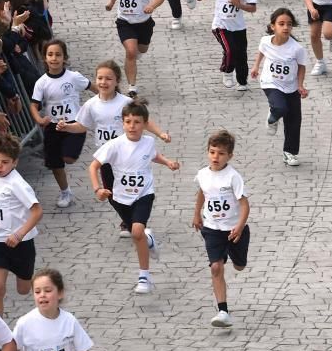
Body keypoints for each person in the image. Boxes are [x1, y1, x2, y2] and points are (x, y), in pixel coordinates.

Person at [58, 61, 171, 233]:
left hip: (125, 154)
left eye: (108, 79)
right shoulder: (91, 104)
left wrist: (160, 133)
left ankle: (135, 221)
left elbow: (144, 121)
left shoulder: (125, 102)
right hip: (105, 157)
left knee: (129, 188)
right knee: (112, 194)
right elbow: (82, 125)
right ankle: (129, 219)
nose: (103, 82)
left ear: (117, 81)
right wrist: (67, 127)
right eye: (100, 78)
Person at [88, 100, 179, 294]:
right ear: (122, 123)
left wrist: (168, 162)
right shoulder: (114, 145)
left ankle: (144, 276)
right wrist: (98, 189)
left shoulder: (149, 142)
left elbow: (152, 155)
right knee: (138, 235)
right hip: (120, 198)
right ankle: (149, 240)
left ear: (145, 124)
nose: (132, 126)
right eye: (128, 121)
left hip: (144, 194)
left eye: (137, 122)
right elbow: (93, 166)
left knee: (136, 232)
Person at [192, 130, 250, 329]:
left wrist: (240, 227)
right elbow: (203, 193)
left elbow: (244, 204)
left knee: (240, 265)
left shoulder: (233, 177)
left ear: (229, 156)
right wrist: (196, 214)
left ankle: (236, 256)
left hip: (234, 229)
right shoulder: (202, 174)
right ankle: (223, 311)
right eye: (212, 152)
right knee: (216, 267)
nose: (216, 157)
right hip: (212, 228)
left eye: (221, 153)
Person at [0, 133, 42, 316]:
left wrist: (19, 234)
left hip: (21, 243)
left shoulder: (17, 184)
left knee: (23, 289)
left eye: (5, 162)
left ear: (15, 163)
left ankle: (43, 287)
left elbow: (37, 211)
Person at [30, 40, 91, 208]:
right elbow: (33, 105)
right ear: (44, 58)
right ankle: (65, 192)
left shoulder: (73, 77)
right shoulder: (41, 82)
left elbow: (94, 87)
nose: (54, 58)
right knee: (55, 163)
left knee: (68, 158)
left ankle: (70, 155)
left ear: (64, 58)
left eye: (58, 54)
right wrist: (39, 119)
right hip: (53, 126)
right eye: (50, 54)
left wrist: (110, 96)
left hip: (74, 124)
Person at [103, 0, 165, 96]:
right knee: (131, 52)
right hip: (124, 21)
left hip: (143, 22)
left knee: (142, 49)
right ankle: (132, 87)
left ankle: (135, 54)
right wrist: (111, 3)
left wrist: (151, 6)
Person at [251, 8, 308, 167]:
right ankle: (273, 115)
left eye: (289, 24)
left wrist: (300, 85)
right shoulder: (265, 41)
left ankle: (289, 152)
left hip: (290, 86)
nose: (285, 27)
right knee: (280, 107)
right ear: (272, 26)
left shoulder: (297, 48)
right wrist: (256, 67)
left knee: (294, 120)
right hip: (270, 82)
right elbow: (261, 52)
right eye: (281, 24)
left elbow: (302, 67)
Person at [196, 0, 258, 90]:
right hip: (220, 25)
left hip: (238, 27)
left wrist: (239, 5)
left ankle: (242, 81)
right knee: (230, 50)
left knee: (241, 54)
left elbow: (253, 8)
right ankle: (227, 72)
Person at [11, 268, 94, 351]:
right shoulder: (25, 323)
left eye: (48, 290)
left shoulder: (69, 321)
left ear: (60, 293)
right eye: (37, 291)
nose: (42, 295)